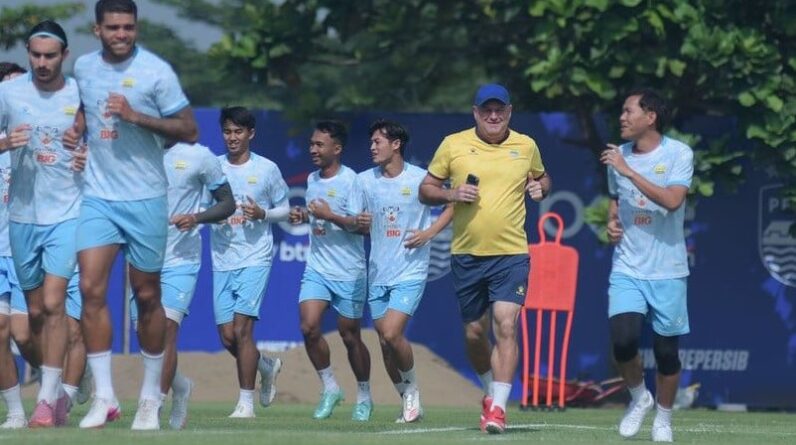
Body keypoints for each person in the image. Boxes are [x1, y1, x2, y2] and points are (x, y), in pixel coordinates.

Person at [69, 0, 198, 430]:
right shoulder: (84, 67)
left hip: (146, 198)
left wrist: (135, 116)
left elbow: (189, 129)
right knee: (90, 288)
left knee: (146, 297)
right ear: (97, 30)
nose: (121, 34)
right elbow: (85, 106)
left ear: (136, 28)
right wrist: (77, 127)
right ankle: (104, 397)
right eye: (113, 27)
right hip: (98, 197)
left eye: (128, 27)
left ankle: (149, 398)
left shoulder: (156, 72)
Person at [419, 84, 551, 434]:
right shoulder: (453, 144)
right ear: (475, 113)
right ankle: (490, 391)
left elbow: (543, 178)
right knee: (475, 333)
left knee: (506, 325)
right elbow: (426, 190)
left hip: (511, 254)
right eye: (486, 110)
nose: (493, 116)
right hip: (467, 255)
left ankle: (499, 409)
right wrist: (452, 193)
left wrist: (541, 188)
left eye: (499, 110)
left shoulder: (526, 145)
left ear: (509, 112)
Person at [0, 21, 89, 428]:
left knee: (54, 304)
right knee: (33, 317)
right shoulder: (9, 94)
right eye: (35, 55)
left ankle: (46, 403)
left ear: (64, 56)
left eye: (49, 55)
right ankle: (43, 396)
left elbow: (111, 143)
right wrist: (5, 143)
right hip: (21, 220)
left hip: (66, 215)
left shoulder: (81, 94)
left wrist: (89, 154)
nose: (41, 62)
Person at [600, 88, 693, 443]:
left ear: (650, 117)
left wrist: (628, 171)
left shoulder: (679, 153)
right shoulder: (618, 156)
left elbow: (672, 201)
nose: (622, 117)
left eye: (629, 111)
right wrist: (611, 224)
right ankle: (640, 398)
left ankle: (664, 419)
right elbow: (615, 200)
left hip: (668, 270)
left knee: (667, 354)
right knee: (623, 342)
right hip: (627, 267)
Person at [348, 119, 452, 423]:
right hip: (378, 273)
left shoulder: (421, 179)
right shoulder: (363, 181)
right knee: (384, 343)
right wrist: (358, 223)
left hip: (410, 270)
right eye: (371, 142)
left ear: (396, 145)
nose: (372, 147)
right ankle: (408, 399)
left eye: (377, 142)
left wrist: (429, 233)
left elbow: (453, 204)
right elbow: (355, 222)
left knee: (392, 333)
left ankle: (413, 393)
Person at [129, 141, 234, 429]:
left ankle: (151, 406)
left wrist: (196, 217)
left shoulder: (199, 156)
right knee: (147, 338)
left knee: (166, 331)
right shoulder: (135, 148)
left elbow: (228, 204)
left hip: (181, 259)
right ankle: (182, 386)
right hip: (142, 258)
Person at [288, 120, 373, 421]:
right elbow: (318, 218)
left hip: (350, 272)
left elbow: (361, 227)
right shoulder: (312, 179)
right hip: (318, 268)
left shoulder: (352, 181)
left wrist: (329, 215)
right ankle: (330, 388)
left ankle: (364, 396)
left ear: (336, 149)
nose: (312, 149)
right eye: (311, 144)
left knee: (350, 336)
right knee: (308, 327)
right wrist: (305, 216)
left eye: (319, 144)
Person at [211, 106, 287, 418]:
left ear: (250, 134)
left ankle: (246, 404)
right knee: (228, 336)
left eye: (238, 132)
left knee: (242, 331)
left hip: (255, 257)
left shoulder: (267, 169)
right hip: (221, 259)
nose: (232, 137)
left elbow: (285, 209)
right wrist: (212, 216)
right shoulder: (213, 168)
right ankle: (265, 366)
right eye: (227, 131)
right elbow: (202, 204)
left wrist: (263, 213)